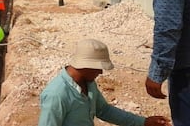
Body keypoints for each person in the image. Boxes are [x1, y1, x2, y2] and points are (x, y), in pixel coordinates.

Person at [38, 39, 171, 126]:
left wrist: (143, 122)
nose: (100, 73)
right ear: (85, 66)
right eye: (98, 68)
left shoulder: (88, 84)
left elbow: (103, 110)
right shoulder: (56, 94)